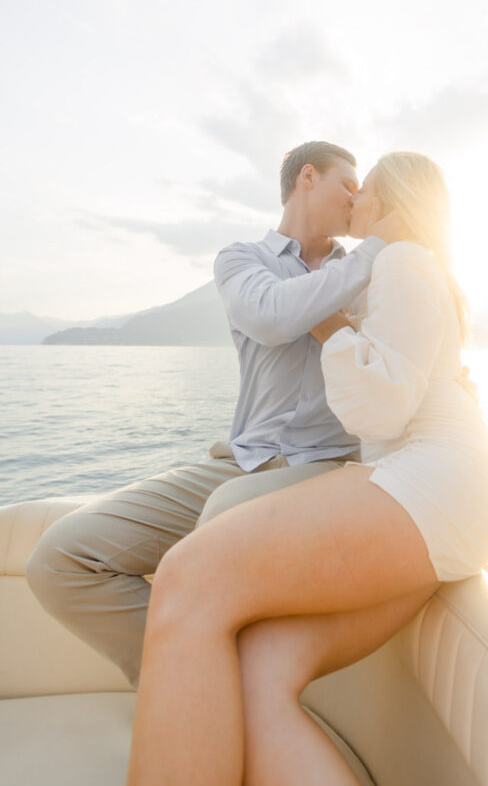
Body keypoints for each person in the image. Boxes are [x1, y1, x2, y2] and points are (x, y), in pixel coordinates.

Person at [126, 152, 488, 786]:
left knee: (186, 577)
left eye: (363, 190)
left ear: (386, 204)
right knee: (261, 670)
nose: (353, 201)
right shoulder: (406, 267)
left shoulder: (401, 260)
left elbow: (382, 409)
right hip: (440, 492)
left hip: (432, 484)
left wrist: (329, 326)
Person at [25, 141, 397, 688]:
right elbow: (272, 317)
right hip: (244, 460)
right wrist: (377, 248)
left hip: (329, 467)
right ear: (308, 178)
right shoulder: (242, 260)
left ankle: (202, 696)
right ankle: (198, 686)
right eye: (349, 183)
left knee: (221, 518)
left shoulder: (378, 274)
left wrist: (379, 255)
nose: (358, 197)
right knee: (60, 560)